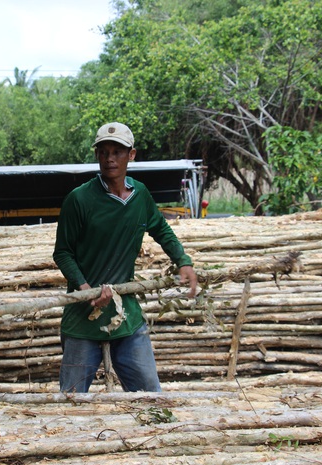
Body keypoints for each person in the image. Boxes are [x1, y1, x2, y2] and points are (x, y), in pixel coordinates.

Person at [53, 122, 198, 393]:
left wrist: (183, 261)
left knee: (151, 399)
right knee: (71, 404)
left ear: (131, 155)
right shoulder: (79, 200)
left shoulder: (140, 195)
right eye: (104, 151)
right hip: (83, 319)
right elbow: (63, 252)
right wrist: (85, 290)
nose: (110, 158)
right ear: (96, 155)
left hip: (126, 315)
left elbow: (161, 229)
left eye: (117, 152)